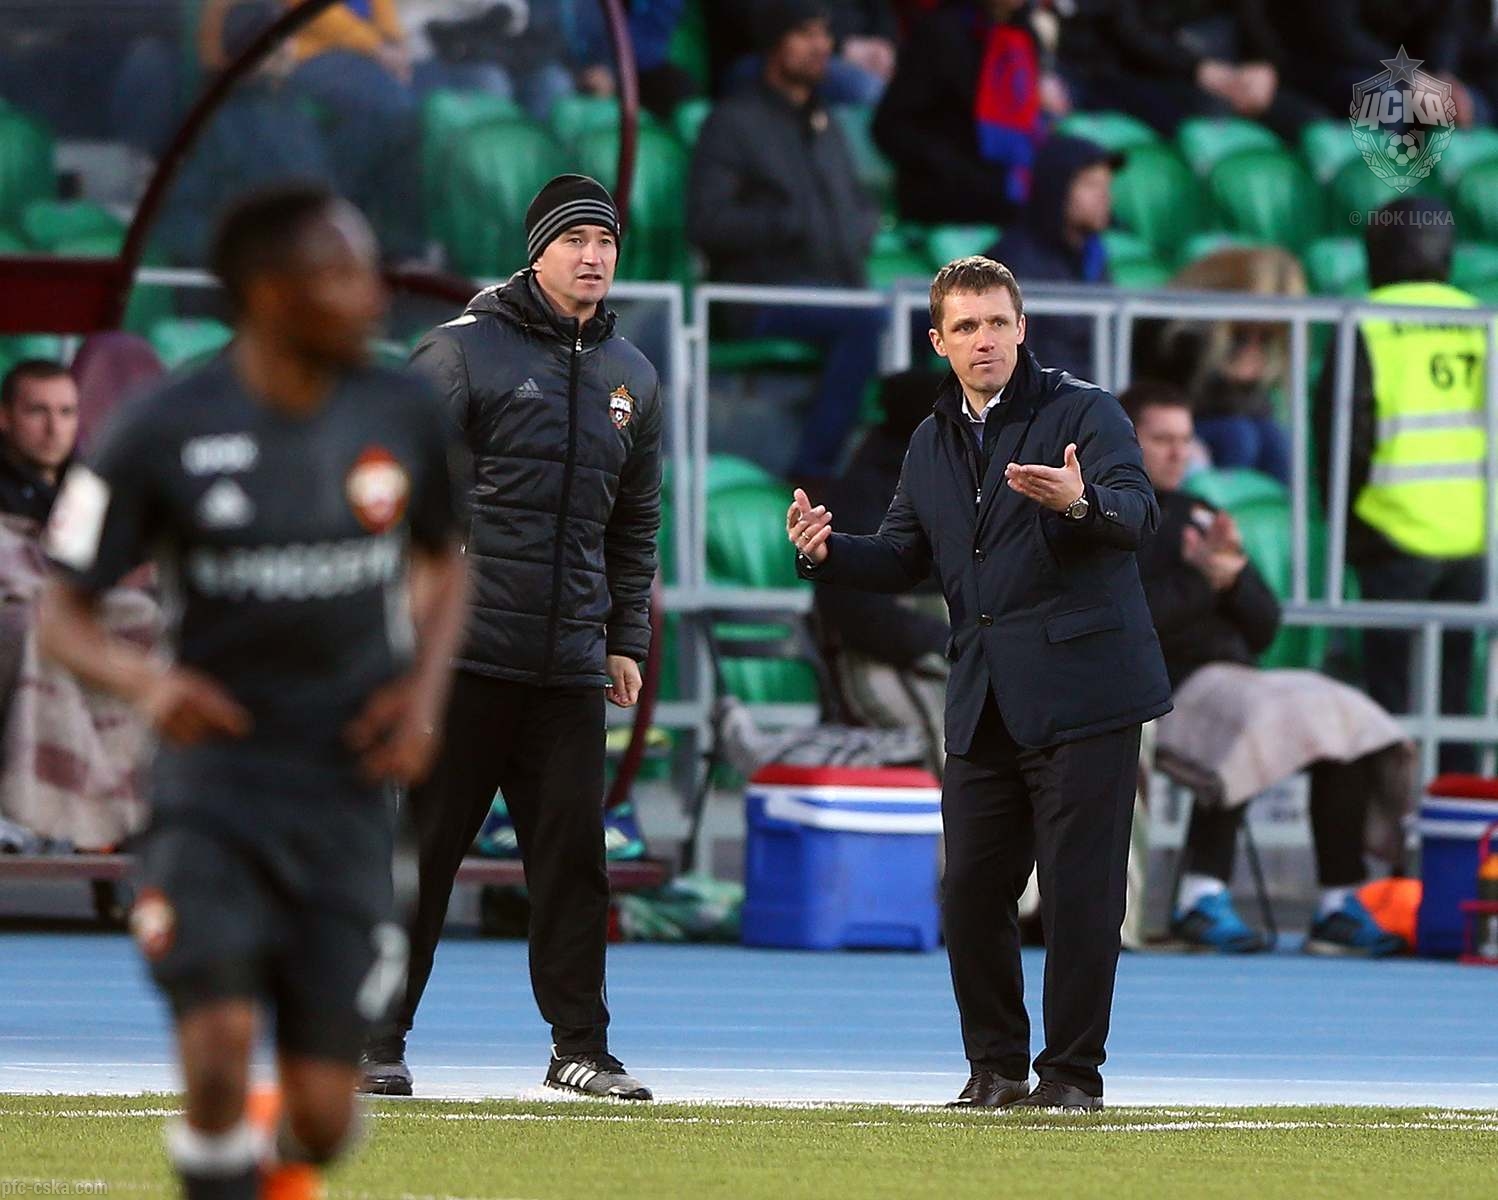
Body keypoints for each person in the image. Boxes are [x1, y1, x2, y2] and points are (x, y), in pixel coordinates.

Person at [35, 185, 468, 1200]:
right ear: (271, 294)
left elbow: (447, 561)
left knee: (321, 1117)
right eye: (342, 274)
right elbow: (61, 615)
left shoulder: (400, 410)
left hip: (347, 791)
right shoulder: (160, 428)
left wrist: (423, 692)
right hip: (214, 788)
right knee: (219, 1050)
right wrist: (148, 681)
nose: (374, 294)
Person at [788, 256, 1172, 1111]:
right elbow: (903, 556)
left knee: (1079, 896)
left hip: (1086, 694)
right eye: (966, 326)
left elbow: (1138, 513)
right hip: (986, 697)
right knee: (968, 892)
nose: (984, 339)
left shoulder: (1086, 412)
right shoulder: (931, 440)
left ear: (1022, 328)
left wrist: (1079, 503)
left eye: (998, 322)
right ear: (939, 341)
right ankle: (996, 1068)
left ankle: (1070, 1076)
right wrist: (828, 552)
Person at [361, 174, 662, 1102]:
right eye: (575, 240)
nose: (594, 257)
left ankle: (581, 1050)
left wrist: (626, 637)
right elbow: (392, 496)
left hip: (568, 663)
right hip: (461, 659)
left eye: (606, 242)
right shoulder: (459, 352)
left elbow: (634, 523)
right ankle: (373, 1043)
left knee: (575, 867)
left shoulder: (633, 376)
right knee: (421, 859)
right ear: (537, 251)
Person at [1127, 381, 1411, 957]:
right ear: (1126, 440)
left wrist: (1232, 577)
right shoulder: (1110, 519)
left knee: (1347, 718)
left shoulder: (1203, 515)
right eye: (1162, 439)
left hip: (1236, 674)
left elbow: (1264, 627)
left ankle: (1338, 902)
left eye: (1185, 439)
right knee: (1257, 715)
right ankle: (1200, 896)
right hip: (1163, 689)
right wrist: (1201, 580)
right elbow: (1131, 623)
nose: (1179, 453)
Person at [1315, 196, 1486, 773]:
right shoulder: (1480, 319)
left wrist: (1344, 527)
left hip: (1391, 529)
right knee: (1454, 694)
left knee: (1391, 701)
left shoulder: (1366, 320)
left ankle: (1392, 817)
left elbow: (1345, 437)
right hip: (1470, 533)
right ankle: (1457, 814)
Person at [687, 0, 884, 484]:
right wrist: (786, 223)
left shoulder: (825, 122)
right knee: (866, 324)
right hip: (760, 296)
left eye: (825, 34)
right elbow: (707, 223)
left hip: (832, 288)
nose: (822, 46)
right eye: (806, 33)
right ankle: (814, 473)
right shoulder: (732, 123)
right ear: (775, 43)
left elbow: (857, 202)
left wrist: (861, 225)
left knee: (935, 319)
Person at [813, 369, 950, 772]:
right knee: (955, 733)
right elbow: (855, 607)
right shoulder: (866, 494)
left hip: (959, 650)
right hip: (883, 658)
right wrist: (942, 641)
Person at [873, 0, 1067, 226]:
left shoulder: (1023, 34)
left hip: (1005, 177)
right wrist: (947, 163)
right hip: (943, 186)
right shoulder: (941, 32)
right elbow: (889, 126)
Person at [1133, 247, 1305, 485]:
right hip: (1184, 423)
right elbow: (1170, 400)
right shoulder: (1177, 332)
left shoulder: (1254, 337)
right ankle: (1220, 501)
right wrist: (1229, 378)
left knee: (1273, 438)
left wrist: (1246, 381)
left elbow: (1260, 408)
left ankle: (1280, 506)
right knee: (1238, 435)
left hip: (1225, 420)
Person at [1056, 0, 1322, 138]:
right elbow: (1131, 33)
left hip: (1237, 73)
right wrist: (1197, 69)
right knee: (1210, 117)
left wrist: (1266, 66)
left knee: (1312, 123)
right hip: (1162, 74)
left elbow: (1255, 21)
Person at [984, 135, 1121, 383]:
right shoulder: (1014, 262)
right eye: (1091, 185)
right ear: (1057, 189)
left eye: (1106, 186)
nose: (1105, 197)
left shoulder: (1093, 255)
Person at [0, 360, 79, 526]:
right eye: (37, 411)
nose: (54, 428)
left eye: (66, 412)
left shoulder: (93, 484)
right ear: (4, 417)